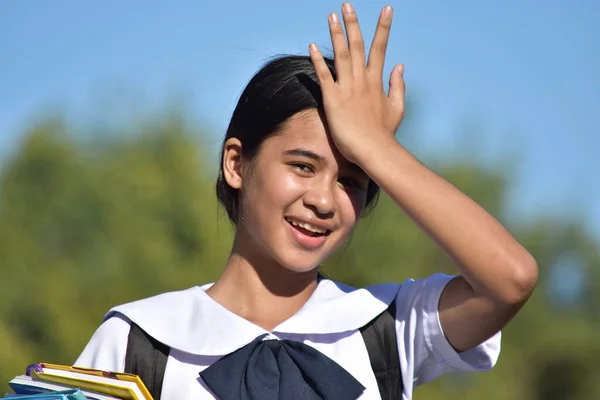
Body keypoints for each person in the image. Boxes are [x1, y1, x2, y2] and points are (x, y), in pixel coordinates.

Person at [74, 3, 538, 399]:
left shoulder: (388, 327)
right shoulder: (138, 340)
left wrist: (378, 149)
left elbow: (510, 279)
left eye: (352, 181)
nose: (323, 200)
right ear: (236, 163)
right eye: (302, 166)